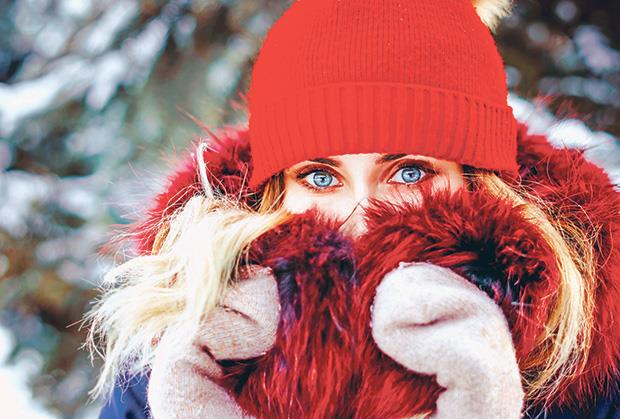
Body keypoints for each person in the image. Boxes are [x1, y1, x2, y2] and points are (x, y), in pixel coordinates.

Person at [90, 0, 620, 417]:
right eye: (320, 177)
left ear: (476, 182)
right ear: (276, 193)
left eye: (410, 172)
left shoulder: (581, 373)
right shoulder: (185, 359)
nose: (363, 216)